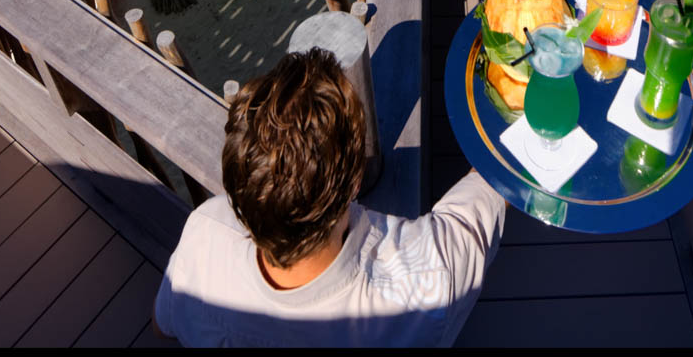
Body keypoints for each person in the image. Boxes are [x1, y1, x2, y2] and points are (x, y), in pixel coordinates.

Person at [152, 48, 506, 346]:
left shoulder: (206, 232)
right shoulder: (427, 280)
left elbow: (163, 326)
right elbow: (497, 180)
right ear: (354, 181)